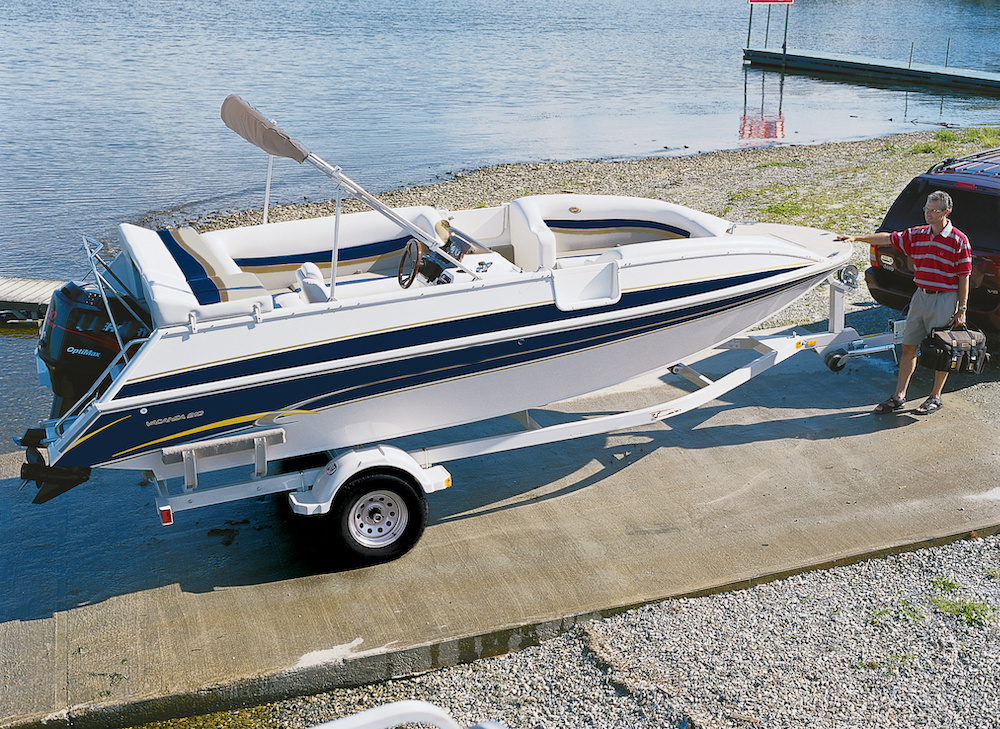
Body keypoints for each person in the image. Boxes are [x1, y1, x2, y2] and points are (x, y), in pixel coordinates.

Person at [837, 190, 972, 415]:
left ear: (945, 212)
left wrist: (962, 309)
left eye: (932, 211)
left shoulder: (959, 240)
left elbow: (964, 276)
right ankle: (899, 396)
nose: (927, 214)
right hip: (920, 296)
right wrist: (856, 238)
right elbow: (889, 238)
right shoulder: (918, 234)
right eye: (926, 209)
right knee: (909, 345)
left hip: (945, 299)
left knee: (942, 349)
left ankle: (935, 397)